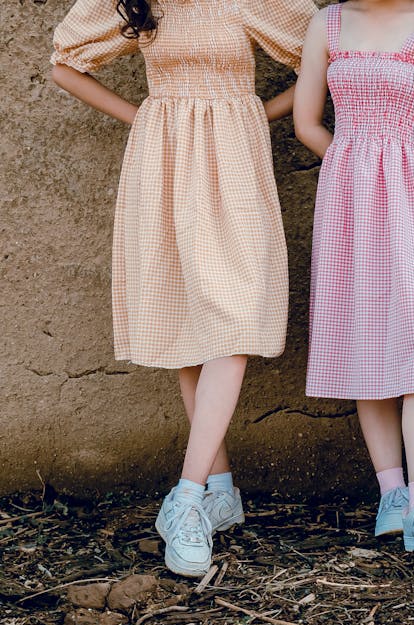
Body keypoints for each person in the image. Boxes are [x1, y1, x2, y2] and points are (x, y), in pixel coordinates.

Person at [50, 0, 316, 577]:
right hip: (164, 160)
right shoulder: (139, 1)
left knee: (235, 317)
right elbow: (64, 64)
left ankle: (187, 497)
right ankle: (219, 489)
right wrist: (144, 117)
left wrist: (255, 114)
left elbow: (322, 58)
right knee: (186, 314)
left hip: (236, 164)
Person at [295, 0, 414, 553]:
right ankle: (394, 499)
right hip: (350, 203)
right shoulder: (327, 22)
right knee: (367, 338)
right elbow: (308, 122)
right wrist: (356, 169)